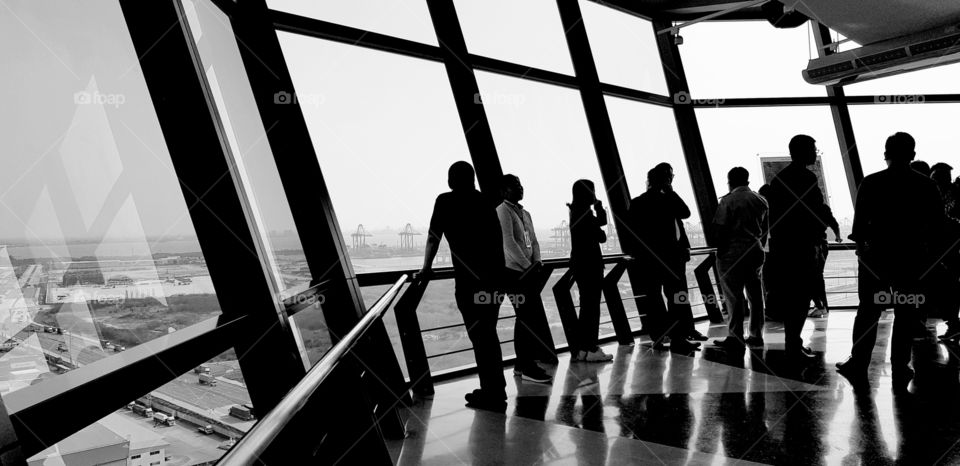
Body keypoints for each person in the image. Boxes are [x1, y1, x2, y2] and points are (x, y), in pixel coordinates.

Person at [835, 132, 944, 390]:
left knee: (868, 311)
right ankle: (900, 365)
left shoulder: (871, 183)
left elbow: (859, 228)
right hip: (911, 259)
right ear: (912, 155)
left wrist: (864, 253)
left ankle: (859, 361)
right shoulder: (926, 186)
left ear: (886, 154)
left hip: (876, 258)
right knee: (906, 313)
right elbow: (937, 226)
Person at [421, 161, 507, 411]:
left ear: (451, 181)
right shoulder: (486, 201)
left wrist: (426, 268)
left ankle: (491, 393)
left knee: (480, 337)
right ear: (473, 179)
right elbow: (497, 241)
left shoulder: (445, 201)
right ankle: (495, 389)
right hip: (494, 282)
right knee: (488, 334)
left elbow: (433, 237)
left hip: (469, 284)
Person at [765, 135, 834, 362]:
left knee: (793, 296)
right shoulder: (806, 178)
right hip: (802, 246)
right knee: (801, 297)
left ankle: (792, 343)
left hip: (785, 246)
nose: (815, 152)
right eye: (813, 149)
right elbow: (816, 208)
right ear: (803, 151)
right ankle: (793, 344)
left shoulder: (780, 179)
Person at [625, 163, 702, 352]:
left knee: (654, 299)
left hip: (650, 260)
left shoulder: (637, 202)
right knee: (677, 298)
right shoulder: (668, 199)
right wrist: (671, 192)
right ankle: (678, 338)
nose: (672, 179)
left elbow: (632, 233)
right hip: (672, 258)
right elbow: (685, 213)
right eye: (670, 176)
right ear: (666, 179)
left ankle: (660, 337)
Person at [497, 174, 555, 384]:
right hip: (514, 274)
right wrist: (528, 266)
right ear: (504, 190)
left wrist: (537, 262)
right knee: (526, 318)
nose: (520, 188)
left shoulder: (525, 214)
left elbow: (534, 241)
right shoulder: (502, 211)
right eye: (515, 185)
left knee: (526, 319)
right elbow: (508, 243)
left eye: (521, 185)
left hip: (528, 273)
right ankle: (527, 366)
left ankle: (522, 364)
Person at [711, 167, 768, 349]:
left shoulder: (728, 201)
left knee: (733, 296)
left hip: (732, 252)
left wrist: (721, 252)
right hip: (755, 250)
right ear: (747, 180)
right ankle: (756, 334)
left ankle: (736, 337)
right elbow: (765, 229)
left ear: (730, 181)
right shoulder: (760, 200)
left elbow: (720, 229)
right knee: (755, 295)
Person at [567, 179, 613, 362]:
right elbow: (602, 236)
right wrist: (598, 206)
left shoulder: (576, 212)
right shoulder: (585, 215)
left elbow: (601, 223)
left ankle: (583, 349)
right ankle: (591, 348)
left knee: (586, 309)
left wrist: (598, 207)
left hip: (580, 265)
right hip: (591, 266)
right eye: (592, 191)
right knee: (592, 310)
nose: (594, 194)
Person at [930, 163, 960, 341]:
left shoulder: (941, 199)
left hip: (947, 251)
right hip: (951, 251)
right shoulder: (952, 195)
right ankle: (953, 323)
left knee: (948, 289)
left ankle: (953, 324)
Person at [809, 204, 842, 318]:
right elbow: (834, 223)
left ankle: (820, 306)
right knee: (817, 277)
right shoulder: (823, 208)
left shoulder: (804, 207)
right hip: (822, 244)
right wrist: (838, 236)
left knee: (811, 277)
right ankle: (822, 306)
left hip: (812, 246)